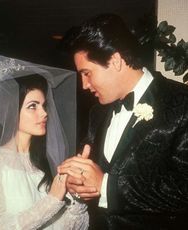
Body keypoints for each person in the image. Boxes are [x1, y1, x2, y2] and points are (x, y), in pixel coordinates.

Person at [58, 13, 188, 229]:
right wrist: (79, 184)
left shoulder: (182, 103)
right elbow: (92, 177)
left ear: (115, 61)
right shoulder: (96, 114)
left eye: (87, 73)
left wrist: (107, 186)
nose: (84, 85)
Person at [0, 55, 89, 230]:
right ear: (10, 110)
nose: (44, 113)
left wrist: (77, 195)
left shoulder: (44, 166)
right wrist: (52, 201)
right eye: (33, 106)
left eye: (43, 105)